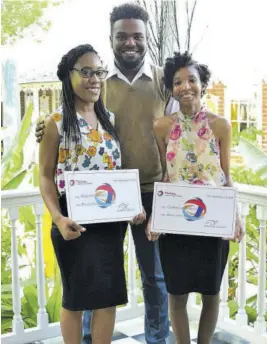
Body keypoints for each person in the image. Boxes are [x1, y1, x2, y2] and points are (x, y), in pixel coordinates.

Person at [36, 4, 172, 344]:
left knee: (153, 278)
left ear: (146, 39)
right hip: (93, 203)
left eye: (137, 36)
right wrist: (45, 127)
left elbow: (180, 126)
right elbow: (65, 123)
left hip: (149, 194)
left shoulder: (162, 82)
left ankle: (156, 339)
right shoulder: (98, 84)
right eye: (122, 36)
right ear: (111, 39)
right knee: (88, 286)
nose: (130, 43)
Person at [39, 44, 145, 344]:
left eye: (99, 72)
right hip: (72, 221)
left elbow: (116, 174)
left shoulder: (109, 119)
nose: (94, 79)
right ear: (68, 77)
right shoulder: (55, 123)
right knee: (75, 298)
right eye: (86, 72)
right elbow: (45, 177)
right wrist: (58, 218)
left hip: (110, 221)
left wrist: (131, 208)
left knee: (107, 297)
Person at [146, 51, 245, 344]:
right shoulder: (162, 126)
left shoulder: (221, 126)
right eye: (177, 82)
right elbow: (166, 175)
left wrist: (235, 217)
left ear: (203, 84)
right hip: (177, 221)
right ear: (171, 88)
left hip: (213, 221)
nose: (185, 86)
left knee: (211, 293)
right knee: (176, 294)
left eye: (192, 80)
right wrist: (156, 215)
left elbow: (226, 176)